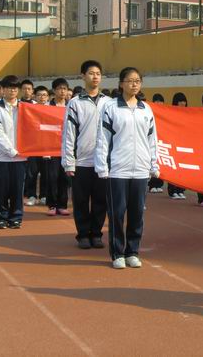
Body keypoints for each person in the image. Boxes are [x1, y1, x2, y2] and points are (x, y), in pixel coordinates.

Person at [95, 67, 159, 269]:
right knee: (117, 213)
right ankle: (117, 253)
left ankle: (132, 251)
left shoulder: (145, 109)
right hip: (117, 170)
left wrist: (153, 163)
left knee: (137, 213)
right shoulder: (111, 107)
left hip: (140, 169)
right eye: (130, 81)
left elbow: (152, 139)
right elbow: (103, 139)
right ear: (121, 83)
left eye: (137, 81)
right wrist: (102, 166)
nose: (134, 84)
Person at [61, 60, 110, 249]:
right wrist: (69, 162)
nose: (95, 77)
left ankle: (96, 233)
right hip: (81, 161)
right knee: (81, 201)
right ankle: (82, 234)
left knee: (101, 200)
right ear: (83, 76)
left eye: (98, 73)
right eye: (91, 73)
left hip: (102, 162)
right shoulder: (75, 103)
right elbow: (68, 133)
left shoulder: (108, 102)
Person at [0, 75, 27, 229]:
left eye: (15, 87)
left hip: (22, 157)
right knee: (2, 190)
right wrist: (12, 151)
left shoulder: (26, 108)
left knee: (17, 190)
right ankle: (2, 217)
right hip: (3, 157)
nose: (13, 89)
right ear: (2, 90)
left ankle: (16, 217)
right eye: (9, 87)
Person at [46, 78, 70, 216]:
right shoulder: (47, 107)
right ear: (54, 91)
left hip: (67, 148)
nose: (62, 91)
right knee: (52, 177)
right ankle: (52, 204)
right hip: (51, 148)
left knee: (65, 177)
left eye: (65, 89)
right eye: (60, 88)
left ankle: (62, 204)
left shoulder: (71, 105)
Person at [167, 92, 188, 200]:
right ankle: (172, 190)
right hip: (174, 143)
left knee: (182, 169)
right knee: (173, 168)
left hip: (184, 145)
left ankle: (180, 190)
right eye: (180, 101)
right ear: (176, 102)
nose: (182, 103)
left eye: (184, 101)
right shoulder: (171, 112)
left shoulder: (188, 113)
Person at [148, 93, 165, 194]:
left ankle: (159, 184)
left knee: (161, 163)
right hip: (153, 139)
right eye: (157, 101)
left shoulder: (165, 112)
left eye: (161, 101)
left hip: (162, 141)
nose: (159, 103)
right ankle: (152, 185)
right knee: (153, 161)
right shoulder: (149, 111)